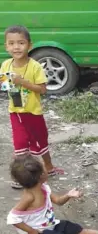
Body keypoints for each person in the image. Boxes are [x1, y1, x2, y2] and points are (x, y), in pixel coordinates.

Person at [1, 25, 64, 189]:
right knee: (20, 145)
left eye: (21, 43)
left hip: (33, 113)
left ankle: (48, 167)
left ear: (29, 45)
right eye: (12, 43)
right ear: (6, 46)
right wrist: (6, 83)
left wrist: (22, 82)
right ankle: (20, 176)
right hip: (15, 112)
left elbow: (42, 89)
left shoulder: (35, 66)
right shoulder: (6, 65)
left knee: (40, 142)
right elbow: (4, 86)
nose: (16, 47)